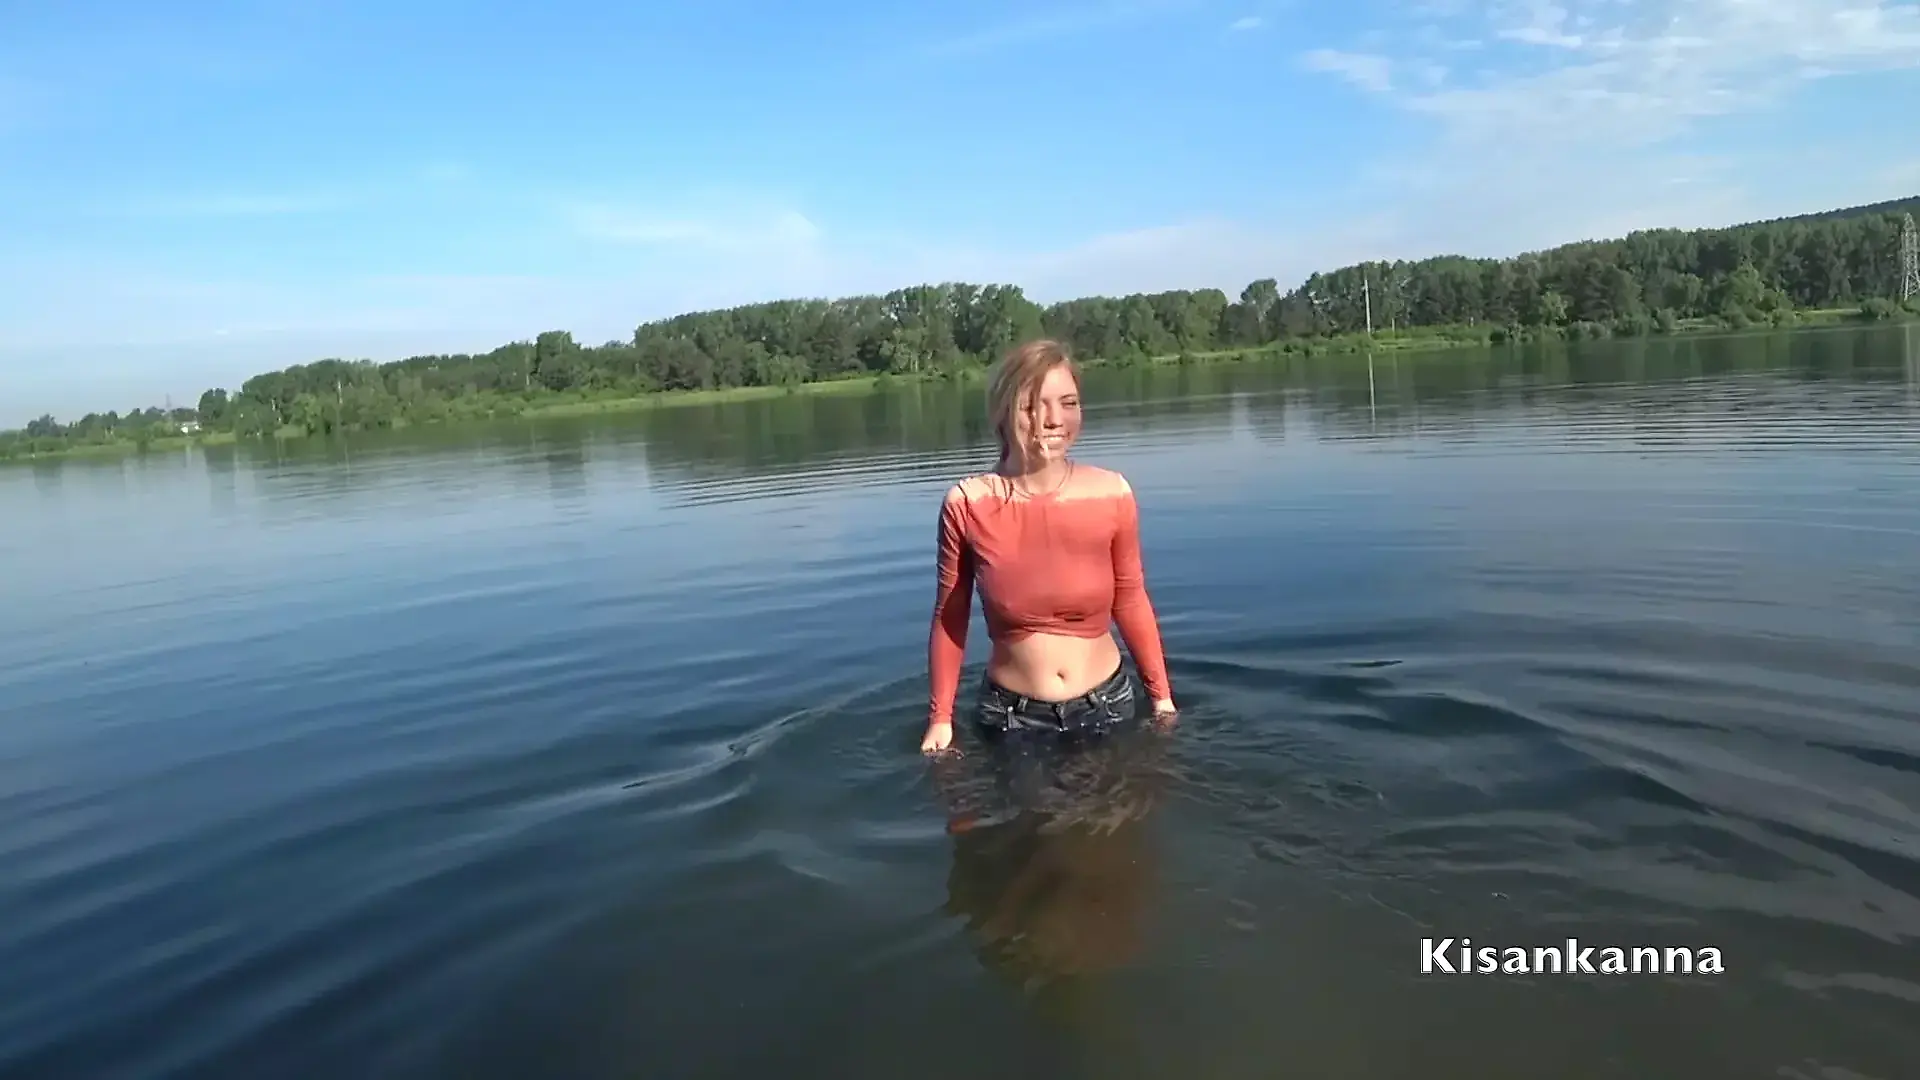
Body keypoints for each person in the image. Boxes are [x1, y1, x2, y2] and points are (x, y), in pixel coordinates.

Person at [921, 338, 1177, 756]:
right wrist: (940, 719)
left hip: (1108, 704)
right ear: (1003, 411)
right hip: (1012, 717)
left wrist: (1161, 698)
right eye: (1032, 406)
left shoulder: (1111, 493)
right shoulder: (967, 504)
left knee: (1125, 802)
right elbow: (950, 616)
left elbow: (1131, 599)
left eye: (1068, 403)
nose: (1054, 419)